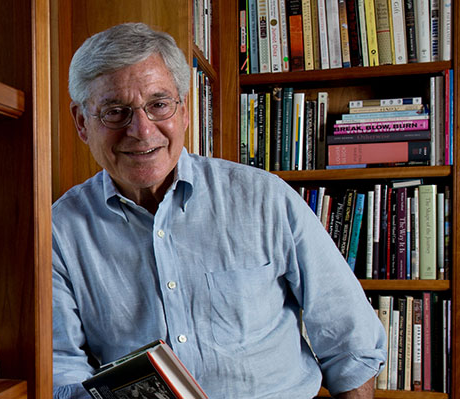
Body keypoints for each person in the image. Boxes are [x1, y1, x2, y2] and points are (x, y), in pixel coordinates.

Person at [51, 23, 388, 399]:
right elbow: (62, 369)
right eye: (116, 112)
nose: (142, 131)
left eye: (159, 105)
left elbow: (350, 342)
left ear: (184, 110)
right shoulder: (59, 231)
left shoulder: (265, 199)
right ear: (82, 123)